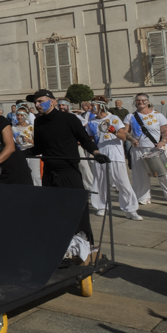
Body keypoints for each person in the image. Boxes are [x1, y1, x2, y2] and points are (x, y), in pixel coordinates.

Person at [28, 89, 109, 245]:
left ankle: (84, 245)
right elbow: (38, 148)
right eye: (35, 102)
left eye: (40, 101)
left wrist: (96, 153)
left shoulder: (69, 119)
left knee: (76, 210)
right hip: (50, 173)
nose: (37, 104)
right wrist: (15, 153)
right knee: (52, 211)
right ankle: (58, 245)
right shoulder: (38, 121)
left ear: (52, 101)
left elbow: (84, 140)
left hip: (69, 172)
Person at [128, 93, 167, 205]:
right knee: (140, 175)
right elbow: (125, 132)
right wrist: (131, 139)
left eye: (143, 100)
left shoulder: (158, 115)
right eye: (138, 100)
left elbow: (166, 131)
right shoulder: (130, 116)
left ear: (148, 101)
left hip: (156, 148)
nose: (141, 102)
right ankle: (143, 197)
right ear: (135, 102)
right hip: (138, 149)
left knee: (164, 174)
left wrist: (163, 141)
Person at [91, 110, 142, 220]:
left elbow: (123, 137)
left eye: (94, 105)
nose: (92, 108)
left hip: (116, 154)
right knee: (100, 181)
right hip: (100, 154)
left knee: (122, 182)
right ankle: (102, 206)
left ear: (101, 106)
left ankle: (131, 209)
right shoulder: (91, 122)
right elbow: (89, 138)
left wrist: (113, 131)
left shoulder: (114, 118)